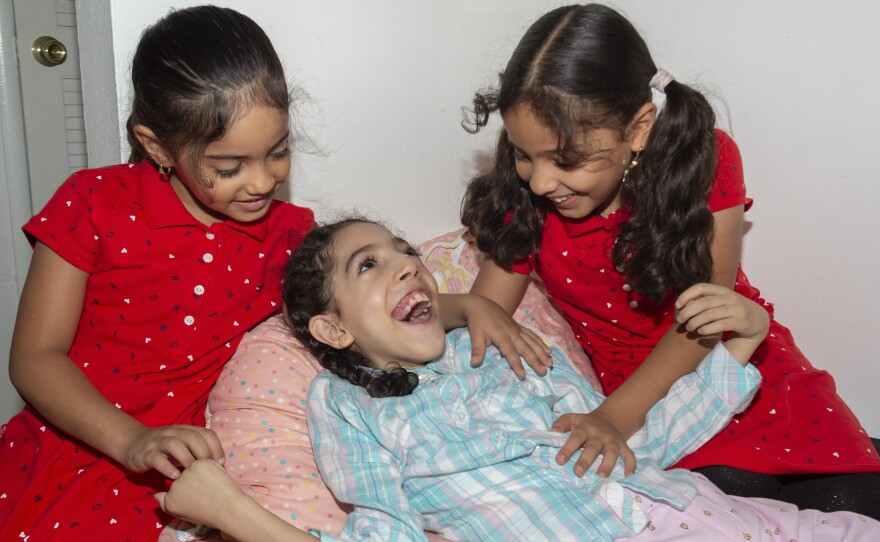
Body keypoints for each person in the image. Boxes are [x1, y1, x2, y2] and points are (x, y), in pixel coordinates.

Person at [156, 218, 880, 541]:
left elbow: (633, 442)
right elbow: (384, 534)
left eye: (404, 251)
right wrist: (232, 513)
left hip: (690, 508)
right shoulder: (347, 405)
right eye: (368, 265)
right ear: (334, 330)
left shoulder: (498, 349)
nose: (408, 263)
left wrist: (737, 353)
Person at [458, 2, 880, 518]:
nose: (541, 181)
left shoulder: (705, 160)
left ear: (638, 128)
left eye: (566, 160)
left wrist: (611, 418)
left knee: (855, 502)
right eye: (525, 154)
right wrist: (457, 308)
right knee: (733, 503)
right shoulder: (525, 201)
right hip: (657, 408)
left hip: (739, 365)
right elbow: (482, 314)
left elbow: (705, 319)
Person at [0, 6, 317, 539]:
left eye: (279, 152)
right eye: (229, 167)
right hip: (76, 442)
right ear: (157, 146)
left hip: (191, 471)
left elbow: (358, 300)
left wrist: (462, 307)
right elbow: (33, 358)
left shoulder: (290, 234)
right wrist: (131, 440)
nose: (263, 181)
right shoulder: (91, 202)